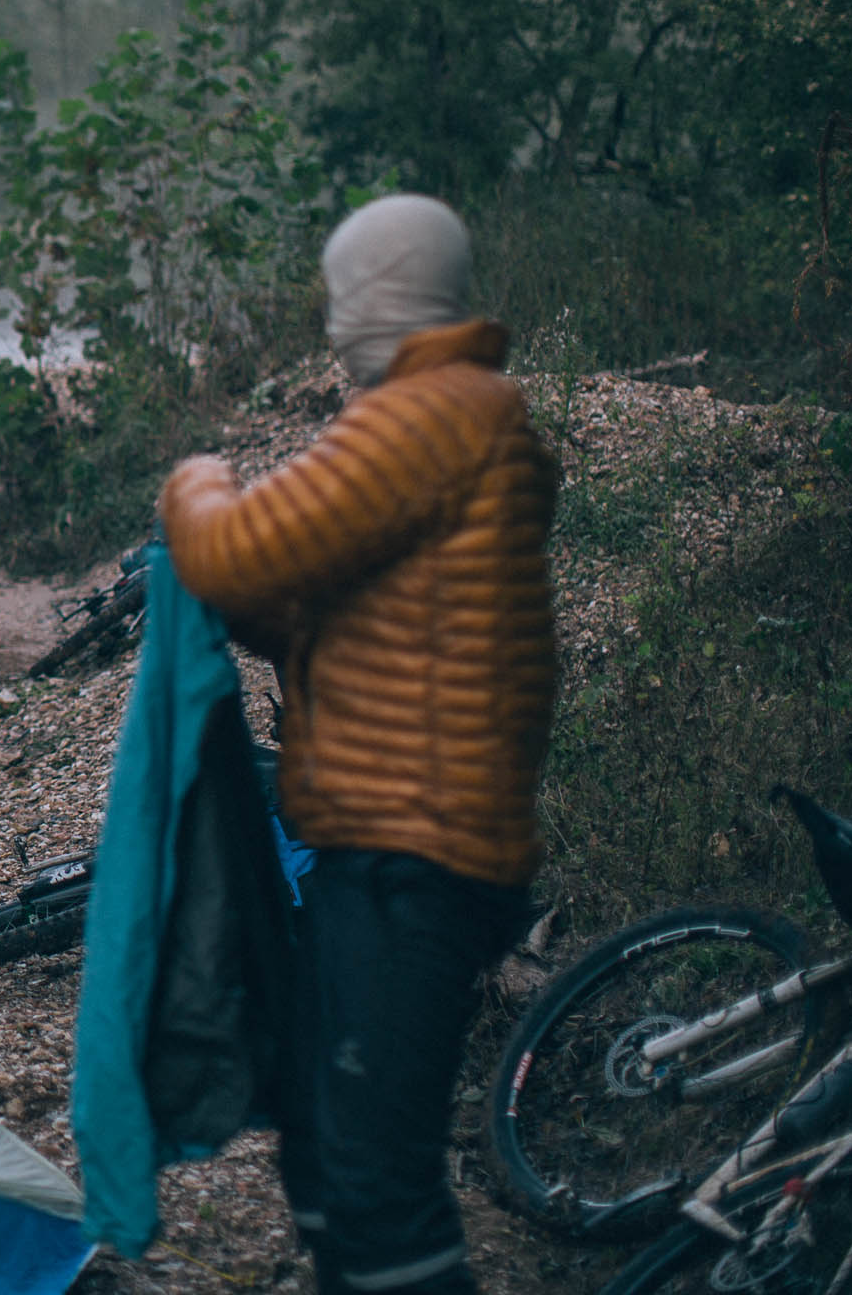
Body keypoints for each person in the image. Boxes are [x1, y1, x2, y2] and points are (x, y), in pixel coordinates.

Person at [156, 194, 557, 1295]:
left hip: (412, 859)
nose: (332, 327)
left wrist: (196, 479)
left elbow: (233, 553)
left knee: (378, 1180)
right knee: (329, 1149)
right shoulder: (462, 421)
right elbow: (321, 617)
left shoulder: (432, 415)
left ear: (378, 298)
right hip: (390, 847)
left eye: (341, 296)